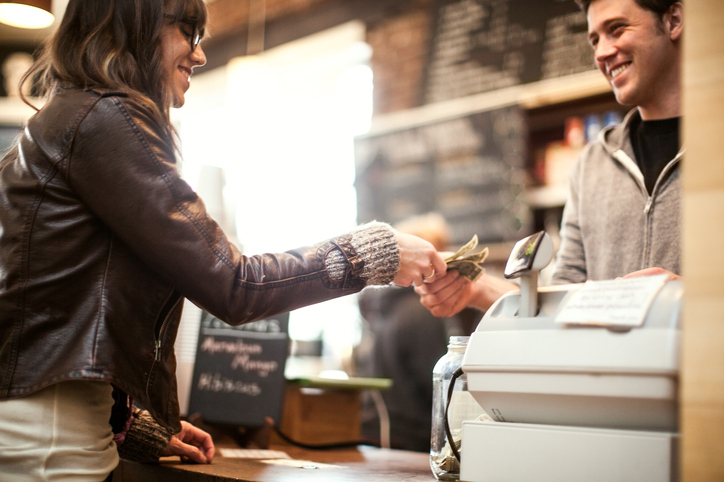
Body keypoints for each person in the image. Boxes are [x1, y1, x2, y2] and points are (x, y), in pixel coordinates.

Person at [0, 1, 447, 480]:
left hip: (43, 422)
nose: (199, 55)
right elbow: (235, 285)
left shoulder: (69, 120)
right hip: (48, 438)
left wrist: (126, 424)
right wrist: (374, 252)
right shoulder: (107, 118)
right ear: (136, 23)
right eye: (186, 31)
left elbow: (61, 301)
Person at [417, 0, 684, 317]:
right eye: (595, 39)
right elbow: (563, 299)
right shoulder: (593, 164)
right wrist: (477, 287)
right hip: (607, 367)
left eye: (616, 29)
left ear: (673, 20)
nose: (601, 53)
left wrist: (688, 296)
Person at [356, 213, 475, 452]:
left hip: (378, 434)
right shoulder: (425, 310)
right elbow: (440, 386)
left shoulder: (385, 306)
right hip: (413, 440)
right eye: (443, 253)